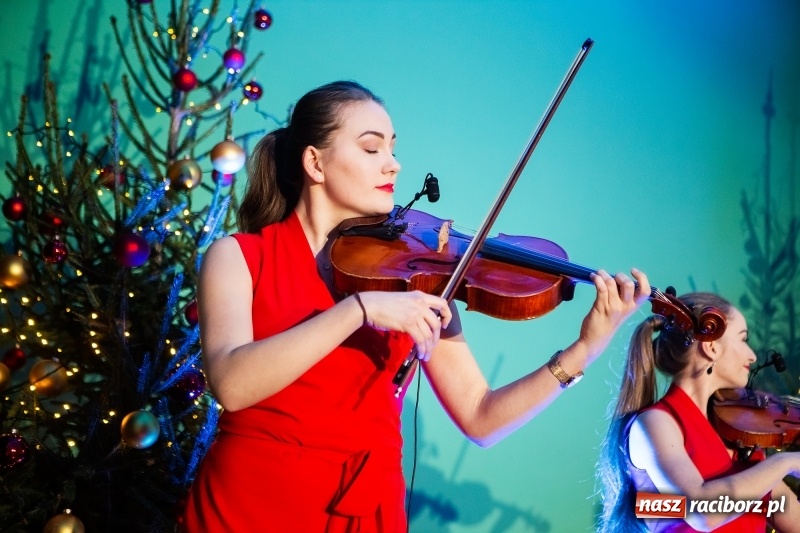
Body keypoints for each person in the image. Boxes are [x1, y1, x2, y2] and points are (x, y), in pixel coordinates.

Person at [181, 80, 651, 532]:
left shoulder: (413, 276)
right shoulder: (239, 257)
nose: (394, 165)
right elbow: (231, 385)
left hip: (366, 510)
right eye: (372, 149)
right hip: (250, 503)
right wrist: (357, 310)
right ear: (315, 163)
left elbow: (481, 417)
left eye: (392, 148)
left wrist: (584, 350)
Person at [597, 291, 800, 532]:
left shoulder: (738, 437)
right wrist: (786, 462)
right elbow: (701, 512)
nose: (753, 356)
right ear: (711, 347)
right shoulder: (655, 423)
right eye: (743, 339)